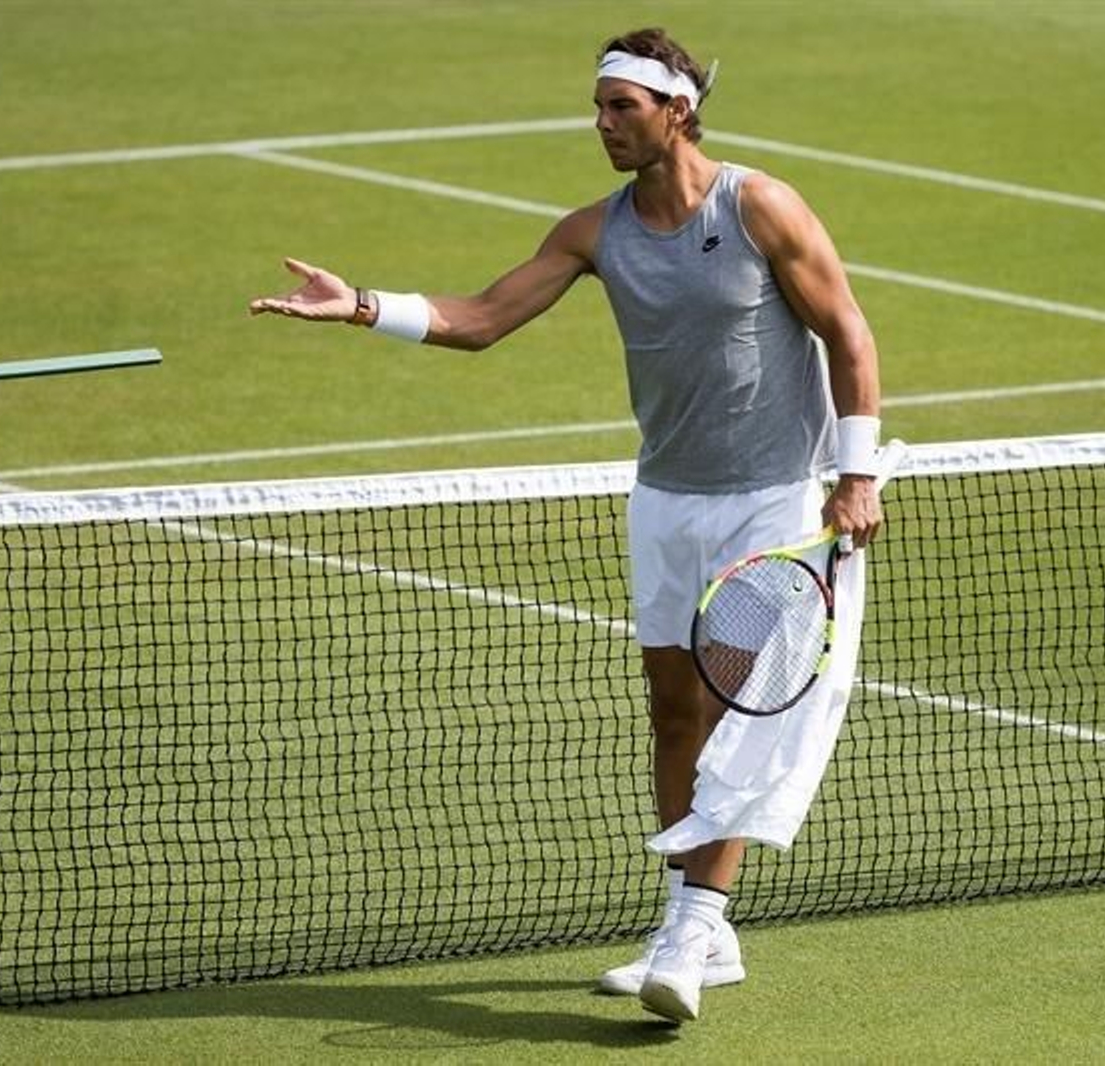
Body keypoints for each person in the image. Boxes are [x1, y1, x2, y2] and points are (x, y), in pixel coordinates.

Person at [249, 27, 885, 1024]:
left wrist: (855, 477)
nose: (601, 125)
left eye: (620, 108)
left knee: (726, 710)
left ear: (677, 110)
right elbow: (486, 315)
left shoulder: (759, 205)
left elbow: (846, 329)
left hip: (774, 500)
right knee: (674, 709)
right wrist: (365, 305)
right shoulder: (594, 231)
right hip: (667, 499)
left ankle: (690, 923)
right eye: (596, 108)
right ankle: (700, 927)